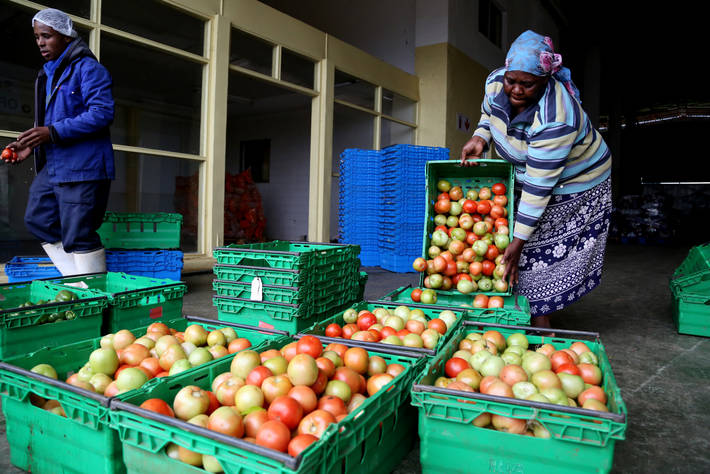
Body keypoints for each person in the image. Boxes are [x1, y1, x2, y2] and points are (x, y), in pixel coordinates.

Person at [460, 30, 612, 329]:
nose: (515, 89)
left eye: (526, 84)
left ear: (545, 80)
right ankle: (526, 312)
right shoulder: (494, 83)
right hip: (531, 173)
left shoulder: (557, 117)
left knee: (533, 249)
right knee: (519, 242)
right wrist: (480, 135)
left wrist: (518, 241)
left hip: (578, 181)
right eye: (511, 80)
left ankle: (541, 325)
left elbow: (538, 187)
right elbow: (488, 112)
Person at [4, 8, 115, 275]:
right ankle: (76, 280)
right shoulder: (47, 73)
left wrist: (51, 133)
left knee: (80, 233)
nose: (40, 42)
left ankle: (92, 294)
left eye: (47, 36)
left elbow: (102, 113)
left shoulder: (89, 69)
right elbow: (51, 119)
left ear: (65, 36)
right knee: (38, 219)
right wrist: (31, 143)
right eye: (37, 37)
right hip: (54, 165)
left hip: (83, 167)